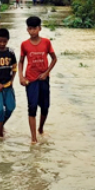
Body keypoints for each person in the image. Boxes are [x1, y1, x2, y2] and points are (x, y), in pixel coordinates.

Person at [18, 16, 57, 144]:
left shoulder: (46, 42)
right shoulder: (24, 44)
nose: (32, 31)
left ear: (39, 28)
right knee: (32, 107)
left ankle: (40, 128)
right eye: (30, 29)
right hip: (31, 79)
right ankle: (33, 138)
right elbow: (21, 61)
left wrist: (46, 73)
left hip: (44, 78)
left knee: (45, 107)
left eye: (34, 28)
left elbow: (54, 59)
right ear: (27, 30)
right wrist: (21, 76)